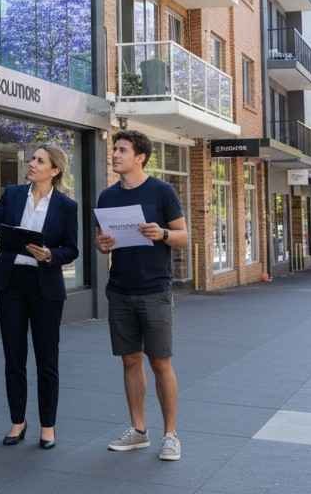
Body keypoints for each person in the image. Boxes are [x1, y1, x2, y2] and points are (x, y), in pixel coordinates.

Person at [0, 146, 79, 450]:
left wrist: (50, 254)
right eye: (32, 159)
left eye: (39, 161)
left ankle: (48, 426)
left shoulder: (66, 206)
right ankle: (17, 423)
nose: (32, 164)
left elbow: (72, 248)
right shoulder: (14, 194)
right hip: (11, 285)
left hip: (46, 286)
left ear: (54, 170)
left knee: (47, 360)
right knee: (14, 357)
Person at [95, 130, 189, 462]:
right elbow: (101, 239)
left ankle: (171, 435)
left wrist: (162, 233)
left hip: (155, 289)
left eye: (122, 150)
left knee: (160, 361)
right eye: (114, 149)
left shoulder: (162, 191)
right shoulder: (107, 196)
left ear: (140, 157)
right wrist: (102, 243)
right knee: (130, 359)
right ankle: (138, 430)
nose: (115, 154)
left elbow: (183, 235)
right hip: (120, 289)